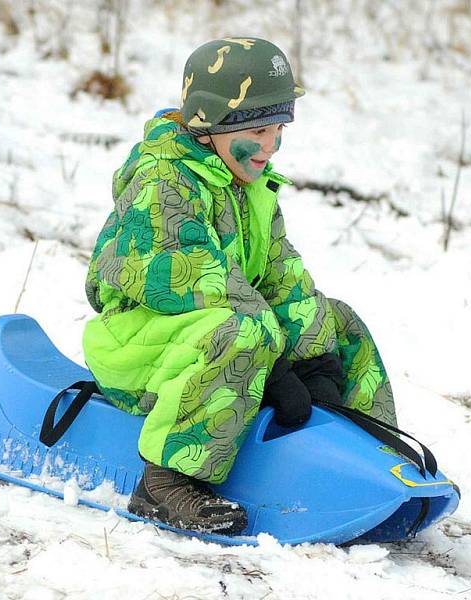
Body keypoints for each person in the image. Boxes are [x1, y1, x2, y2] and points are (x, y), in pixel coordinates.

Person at [82, 37, 397, 534]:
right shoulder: (164, 183)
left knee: (339, 322)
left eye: (279, 128)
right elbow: (193, 279)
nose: (271, 145)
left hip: (213, 330)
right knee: (243, 332)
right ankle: (165, 483)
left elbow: (280, 274)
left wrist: (315, 359)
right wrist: (272, 364)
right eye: (258, 129)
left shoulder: (252, 183)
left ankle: (361, 458)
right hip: (141, 342)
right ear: (210, 127)